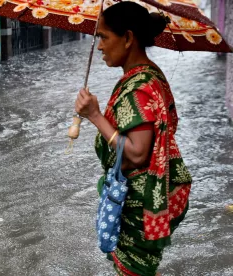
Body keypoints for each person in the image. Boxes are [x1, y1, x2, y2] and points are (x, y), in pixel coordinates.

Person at [74, 2, 192, 275]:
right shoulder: (149, 77)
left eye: (104, 36)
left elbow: (138, 153)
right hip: (147, 194)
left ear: (127, 38)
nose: (100, 46)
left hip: (140, 201)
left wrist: (94, 115)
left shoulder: (139, 86)